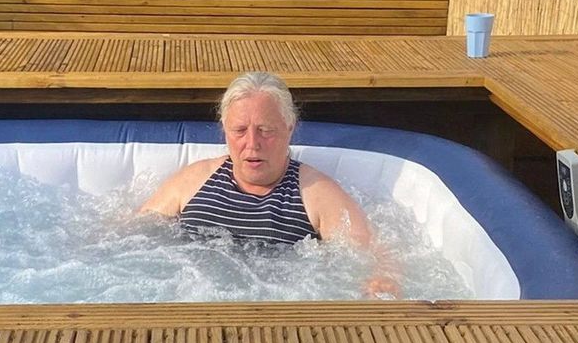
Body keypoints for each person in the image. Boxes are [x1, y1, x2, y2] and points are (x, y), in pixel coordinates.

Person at [139, 71, 399, 297]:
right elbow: (131, 234)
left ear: (289, 128)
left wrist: (385, 278)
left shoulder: (315, 193)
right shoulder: (193, 181)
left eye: (266, 130)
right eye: (240, 130)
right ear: (224, 129)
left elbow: (376, 252)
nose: (252, 143)